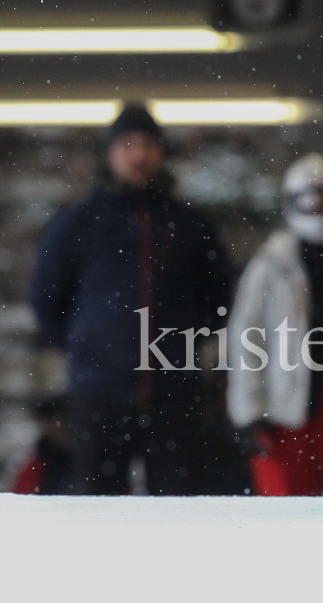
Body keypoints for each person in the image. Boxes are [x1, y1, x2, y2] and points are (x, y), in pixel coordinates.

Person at [30, 104, 232, 495]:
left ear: (161, 152)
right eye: (127, 144)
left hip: (175, 391)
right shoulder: (77, 223)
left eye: (147, 144)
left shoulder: (190, 224)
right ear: (110, 154)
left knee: (177, 505)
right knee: (97, 506)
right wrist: (85, 347)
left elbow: (219, 296)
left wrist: (182, 345)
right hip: (98, 392)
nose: (138, 155)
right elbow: (46, 297)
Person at [227, 154, 323, 495]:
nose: (319, 211)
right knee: (286, 512)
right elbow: (246, 340)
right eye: (310, 202)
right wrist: (248, 412)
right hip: (283, 408)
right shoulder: (269, 265)